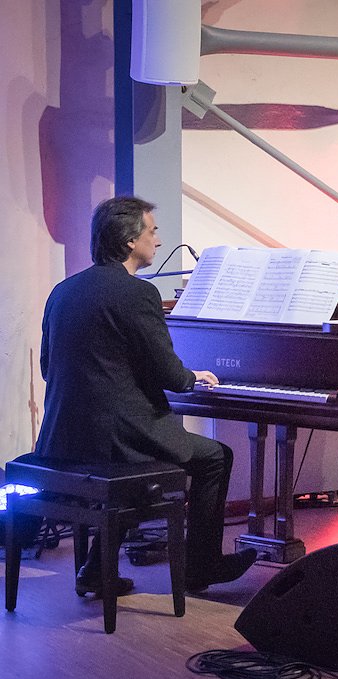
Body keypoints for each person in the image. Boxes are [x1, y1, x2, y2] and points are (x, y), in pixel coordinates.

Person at [36, 196, 257, 596]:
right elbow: (170, 374)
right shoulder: (138, 293)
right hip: (115, 438)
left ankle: (96, 569)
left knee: (142, 470)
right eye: (152, 231)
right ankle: (201, 566)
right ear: (129, 241)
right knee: (215, 457)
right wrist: (193, 377)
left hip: (63, 438)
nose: (158, 239)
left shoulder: (62, 291)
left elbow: (48, 368)